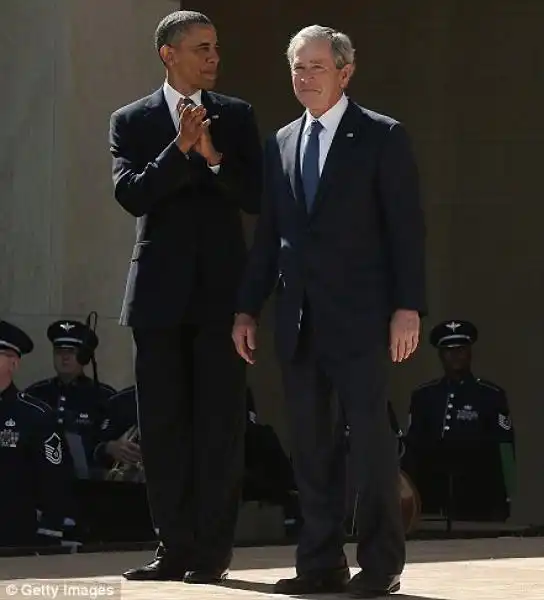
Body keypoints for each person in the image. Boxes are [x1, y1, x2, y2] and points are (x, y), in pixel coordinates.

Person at [233, 25, 426, 598]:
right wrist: (247, 309)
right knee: (312, 448)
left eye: (317, 66)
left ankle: (381, 564)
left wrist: (407, 307)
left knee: (369, 444)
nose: (305, 77)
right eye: (297, 66)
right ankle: (319, 563)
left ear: (345, 73)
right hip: (299, 318)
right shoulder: (283, 141)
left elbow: (405, 231)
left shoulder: (382, 137)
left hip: (364, 319)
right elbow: (270, 236)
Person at [109, 10, 262, 583]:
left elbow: (255, 194)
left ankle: (211, 555)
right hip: (157, 300)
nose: (213, 57)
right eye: (201, 48)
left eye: (216, 47)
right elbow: (132, 196)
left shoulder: (237, 117)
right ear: (168, 54)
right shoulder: (132, 120)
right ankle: (173, 549)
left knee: (219, 429)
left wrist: (212, 156)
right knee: (165, 430)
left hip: (222, 297)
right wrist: (179, 150)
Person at [403, 320, 516, 522]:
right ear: (440, 355)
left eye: (461, 349)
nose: (455, 355)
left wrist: (506, 496)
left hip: (478, 492)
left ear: (470, 352)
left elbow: (504, 447)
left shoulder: (490, 395)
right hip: (432, 490)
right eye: (448, 350)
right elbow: (412, 448)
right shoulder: (424, 395)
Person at [0, 320, 70, 547]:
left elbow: (54, 478)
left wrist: (50, 531)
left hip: (12, 533)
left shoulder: (34, 415)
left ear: (13, 363)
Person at [26, 319, 116, 478]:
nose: (65, 357)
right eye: (59, 351)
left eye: (71, 352)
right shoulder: (35, 394)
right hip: (39, 480)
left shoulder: (104, 396)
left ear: (84, 357)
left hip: (88, 485)